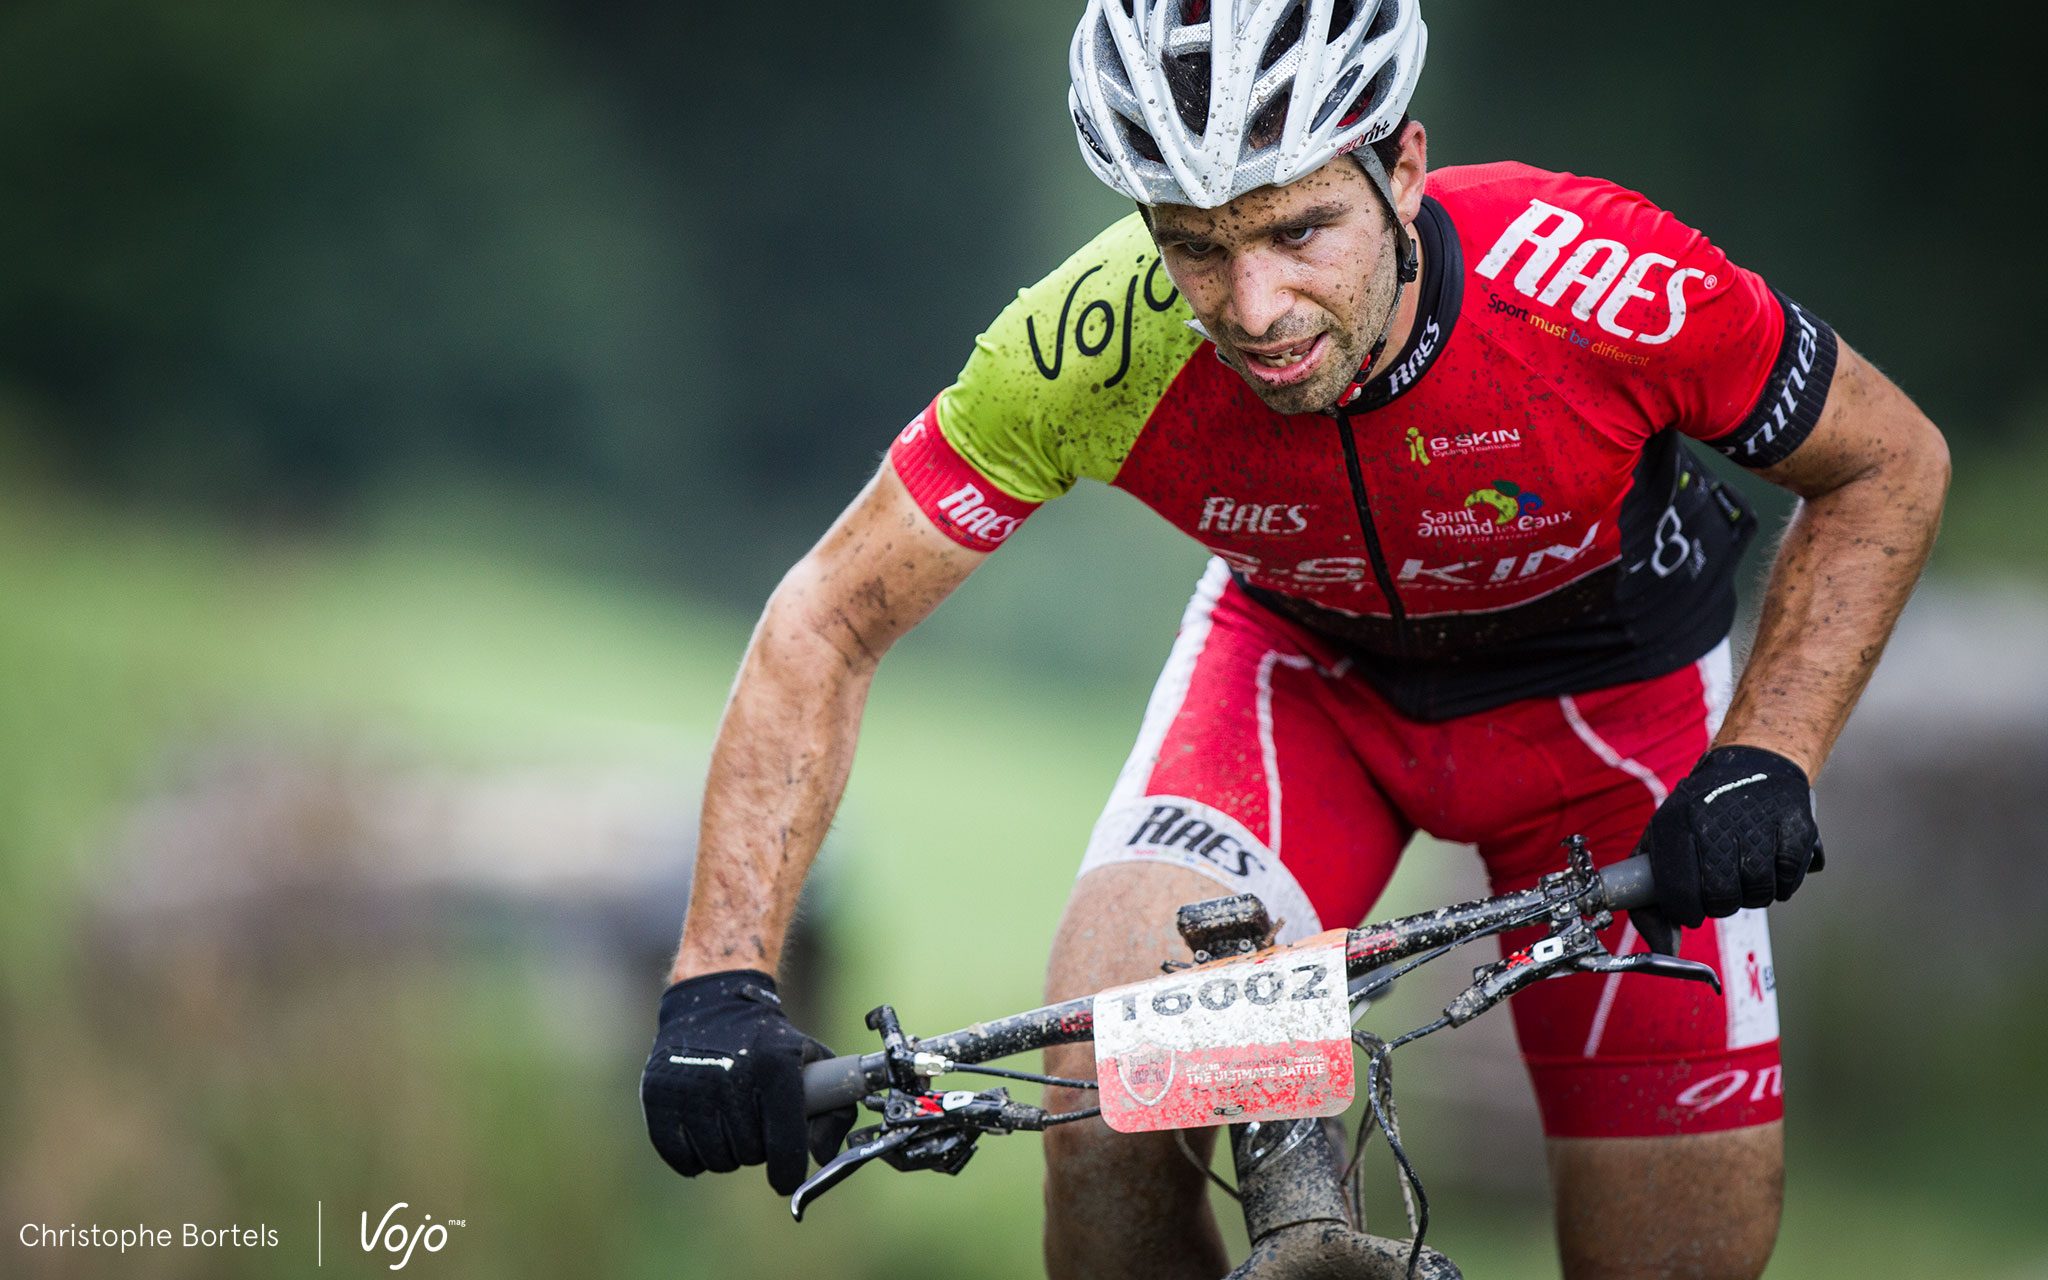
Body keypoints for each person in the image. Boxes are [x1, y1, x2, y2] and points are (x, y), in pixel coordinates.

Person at [639, 1, 1949, 1275]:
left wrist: (1768, 752)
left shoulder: (1593, 279)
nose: (1254, 306)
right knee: (1105, 1093)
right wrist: (720, 979)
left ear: (1404, 165)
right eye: (1197, 247)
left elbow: (1888, 463)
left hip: (1612, 711)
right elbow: (829, 613)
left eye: (1301, 227)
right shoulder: (1093, 344)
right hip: (1307, 683)